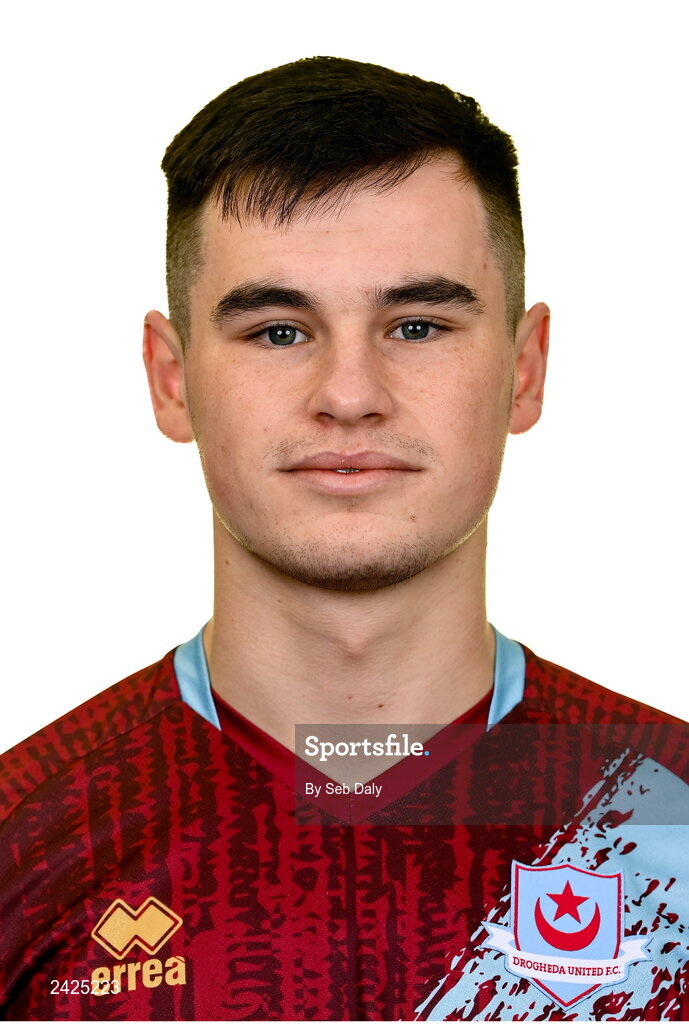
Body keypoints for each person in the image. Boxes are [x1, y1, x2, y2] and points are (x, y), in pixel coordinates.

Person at [1, 55, 687, 1023]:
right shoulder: (24, 835)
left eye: (415, 324)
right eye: (278, 330)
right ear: (170, 377)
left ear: (524, 370)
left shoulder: (669, 818)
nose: (350, 392)